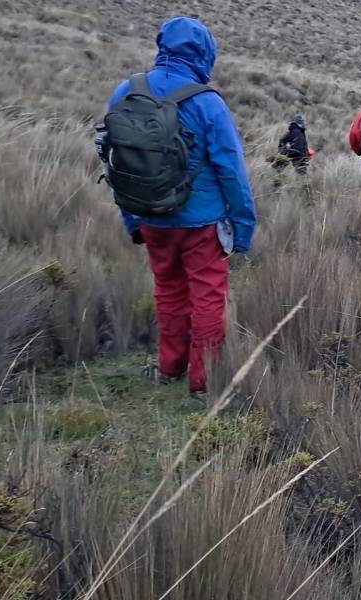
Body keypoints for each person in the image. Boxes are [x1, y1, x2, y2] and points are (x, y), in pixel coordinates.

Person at [105, 17, 257, 398]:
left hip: (151, 217)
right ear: (205, 53)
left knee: (169, 291)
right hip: (202, 223)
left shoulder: (126, 91)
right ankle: (204, 383)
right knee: (207, 297)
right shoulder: (207, 102)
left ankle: (170, 368)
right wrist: (243, 229)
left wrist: (132, 218)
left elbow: (115, 162)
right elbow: (232, 172)